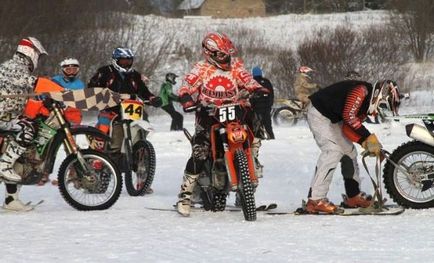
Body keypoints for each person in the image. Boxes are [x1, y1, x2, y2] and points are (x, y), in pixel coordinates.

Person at [175, 32, 265, 216]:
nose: (226, 58)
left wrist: (258, 88)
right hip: (207, 114)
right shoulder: (201, 69)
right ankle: (185, 195)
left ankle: (248, 176)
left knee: (255, 133)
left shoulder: (236, 66)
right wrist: (186, 99)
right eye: (222, 54)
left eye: (227, 54)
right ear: (210, 53)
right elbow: (187, 85)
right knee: (200, 151)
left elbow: (247, 79)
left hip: (233, 113)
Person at [304, 79, 401, 214]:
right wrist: (368, 138)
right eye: (383, 106)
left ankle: (353, 196)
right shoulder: (361, 91)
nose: (378, 112)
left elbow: (348, 128)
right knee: (332, 151)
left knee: (349, 152)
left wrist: (366, 143)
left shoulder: (365, 104)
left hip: (333, 118)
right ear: (380, 96)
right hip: (319, 113)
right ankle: (315, 199)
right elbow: (349, 117)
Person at [88, 47, 162, 193]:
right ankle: (99, 177)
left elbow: (143, 91)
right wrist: (104, 95)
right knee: (108, 142)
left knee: (142, 134)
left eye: (129, 60)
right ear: (116, 60)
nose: (126, 63)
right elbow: (92, 87)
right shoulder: (105, 71)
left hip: (132, 111)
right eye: (123, 60)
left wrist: (152, 98)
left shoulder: (135, 75)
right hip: (111, 111)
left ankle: (142, 178)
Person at [0, 37, 47, 211]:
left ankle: (11, 200)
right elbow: (34, 83)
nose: (38, 60)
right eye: (38, 55)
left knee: (20, 155)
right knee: (28, 129)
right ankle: (3, 165)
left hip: (7, 116)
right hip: (2, 117)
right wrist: (58, 92)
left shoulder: (19, 68)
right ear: (30, 51)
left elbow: (25, 93)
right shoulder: (14, 67)